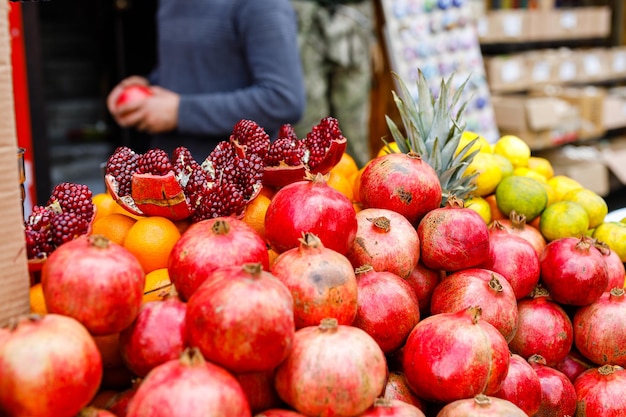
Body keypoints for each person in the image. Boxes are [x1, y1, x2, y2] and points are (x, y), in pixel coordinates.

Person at [107, 0, 306, 161]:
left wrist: (180, 112)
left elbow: (283, 99)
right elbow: (192, 68)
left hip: (234, 187)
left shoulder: (263, 5)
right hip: (167, 178)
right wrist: (146, 86)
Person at [290, 0, 376, 168]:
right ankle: (306, 185)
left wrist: (373, 36)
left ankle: (357, 183)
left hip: (354, 14)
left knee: (354, 126)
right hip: (301, 15)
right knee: (307, 126)